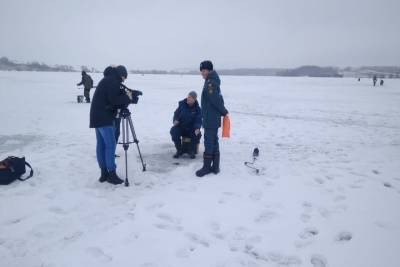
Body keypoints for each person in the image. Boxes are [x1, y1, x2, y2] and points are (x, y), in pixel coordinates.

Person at [89, 65, 134, 185]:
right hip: (104, 118)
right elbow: (115, 100)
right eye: (124, 77)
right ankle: (111, 174)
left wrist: (127, 94)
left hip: (97, 116)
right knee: (110, 144)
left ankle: (104, 173)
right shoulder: (113, 81)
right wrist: (129, 97)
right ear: (121, 74)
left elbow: (111, 97)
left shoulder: (107, 79)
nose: (123, 80)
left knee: (101, 145)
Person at [196, 60, 228, 177]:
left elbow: (216, 100)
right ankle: (215, 167)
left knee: (209, 142)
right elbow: (217, 99)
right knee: (214, 141)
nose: (202, 73)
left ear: (209, 70)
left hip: (210, 118)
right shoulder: (211, 80)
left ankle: (206, 167)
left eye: (204, 70)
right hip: (212, 117)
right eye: (201, 71)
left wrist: (223, 110)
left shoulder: (210, 83)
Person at [170, 91, 202, 159]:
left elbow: (198, 120)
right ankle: (179, 150)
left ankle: (192, 150)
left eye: (190, 97)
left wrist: (197, 128)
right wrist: (175, 120)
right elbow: (176, 114)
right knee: (173, 131)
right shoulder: (182, 105)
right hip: (181, 127)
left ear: (194, 99)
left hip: (191, 128)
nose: (188, 98)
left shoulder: (197, 109)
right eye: (188, 97)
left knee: (197, 134)